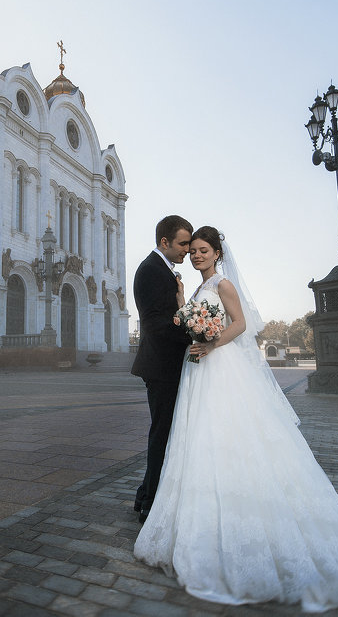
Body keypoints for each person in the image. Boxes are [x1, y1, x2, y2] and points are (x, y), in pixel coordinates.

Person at [134, 226, 338, 611]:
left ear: (217, 253)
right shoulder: (194, 288)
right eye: (192, 250)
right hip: (199, 368)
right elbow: (187, 318)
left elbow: (241, 325)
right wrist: (184, 307)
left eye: (203, 250)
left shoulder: (224, 285)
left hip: (219, 365)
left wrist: (212, 341)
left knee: (230, 433)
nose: (196, 256)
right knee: (199, 438)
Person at [130, 215, 193, 523]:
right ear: (164, 242)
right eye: (183, 244)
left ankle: (145, 494)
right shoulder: (152, 270)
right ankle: (150, 503)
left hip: (164, 363)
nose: (188, 251)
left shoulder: (162, 270)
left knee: (163, 432)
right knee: (162, 434)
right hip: (161, 365)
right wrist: (195, 334)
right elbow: (158, 325)